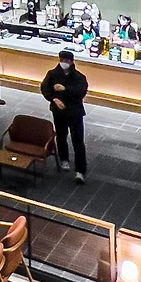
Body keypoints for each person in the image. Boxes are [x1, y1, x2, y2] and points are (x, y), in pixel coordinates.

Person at [40, 47, 89, 182]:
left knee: (78, 141)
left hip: (75, 113)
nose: (64, 63)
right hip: (59, 112)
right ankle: (64, 159)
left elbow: (81, 91)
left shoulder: (79, 77)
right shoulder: (52, 74)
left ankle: (80, 170)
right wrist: (54, 99)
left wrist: (65, 89)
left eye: (67, 61)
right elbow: (45, 88)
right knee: (61, 137)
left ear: (72, 61)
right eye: (62, 60)